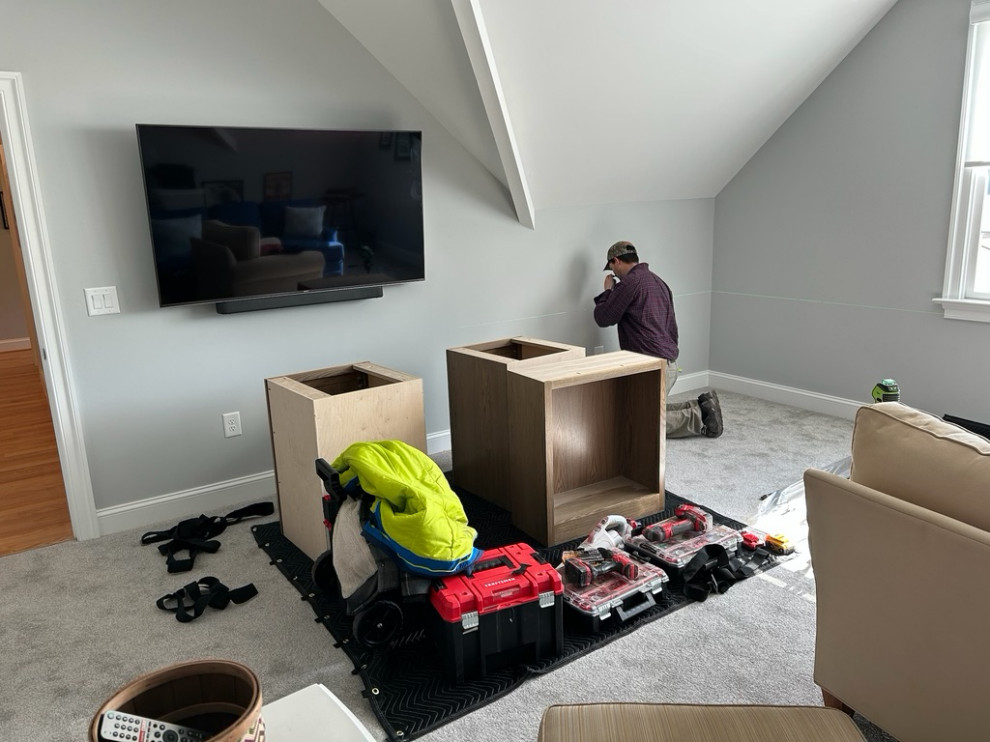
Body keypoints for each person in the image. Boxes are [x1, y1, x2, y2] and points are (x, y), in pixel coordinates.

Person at [593, 240, 723, 438]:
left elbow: (603, 317)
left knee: (640, 424)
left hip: (652, 367)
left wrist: (608, 291)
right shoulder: (659, 282)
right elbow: (672, 327)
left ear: (616, 261)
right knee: (642, 410)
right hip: (667, 362)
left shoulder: (629, 283)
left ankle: (701, 418)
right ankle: (704, 406)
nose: (612, 272)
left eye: (611, 267)